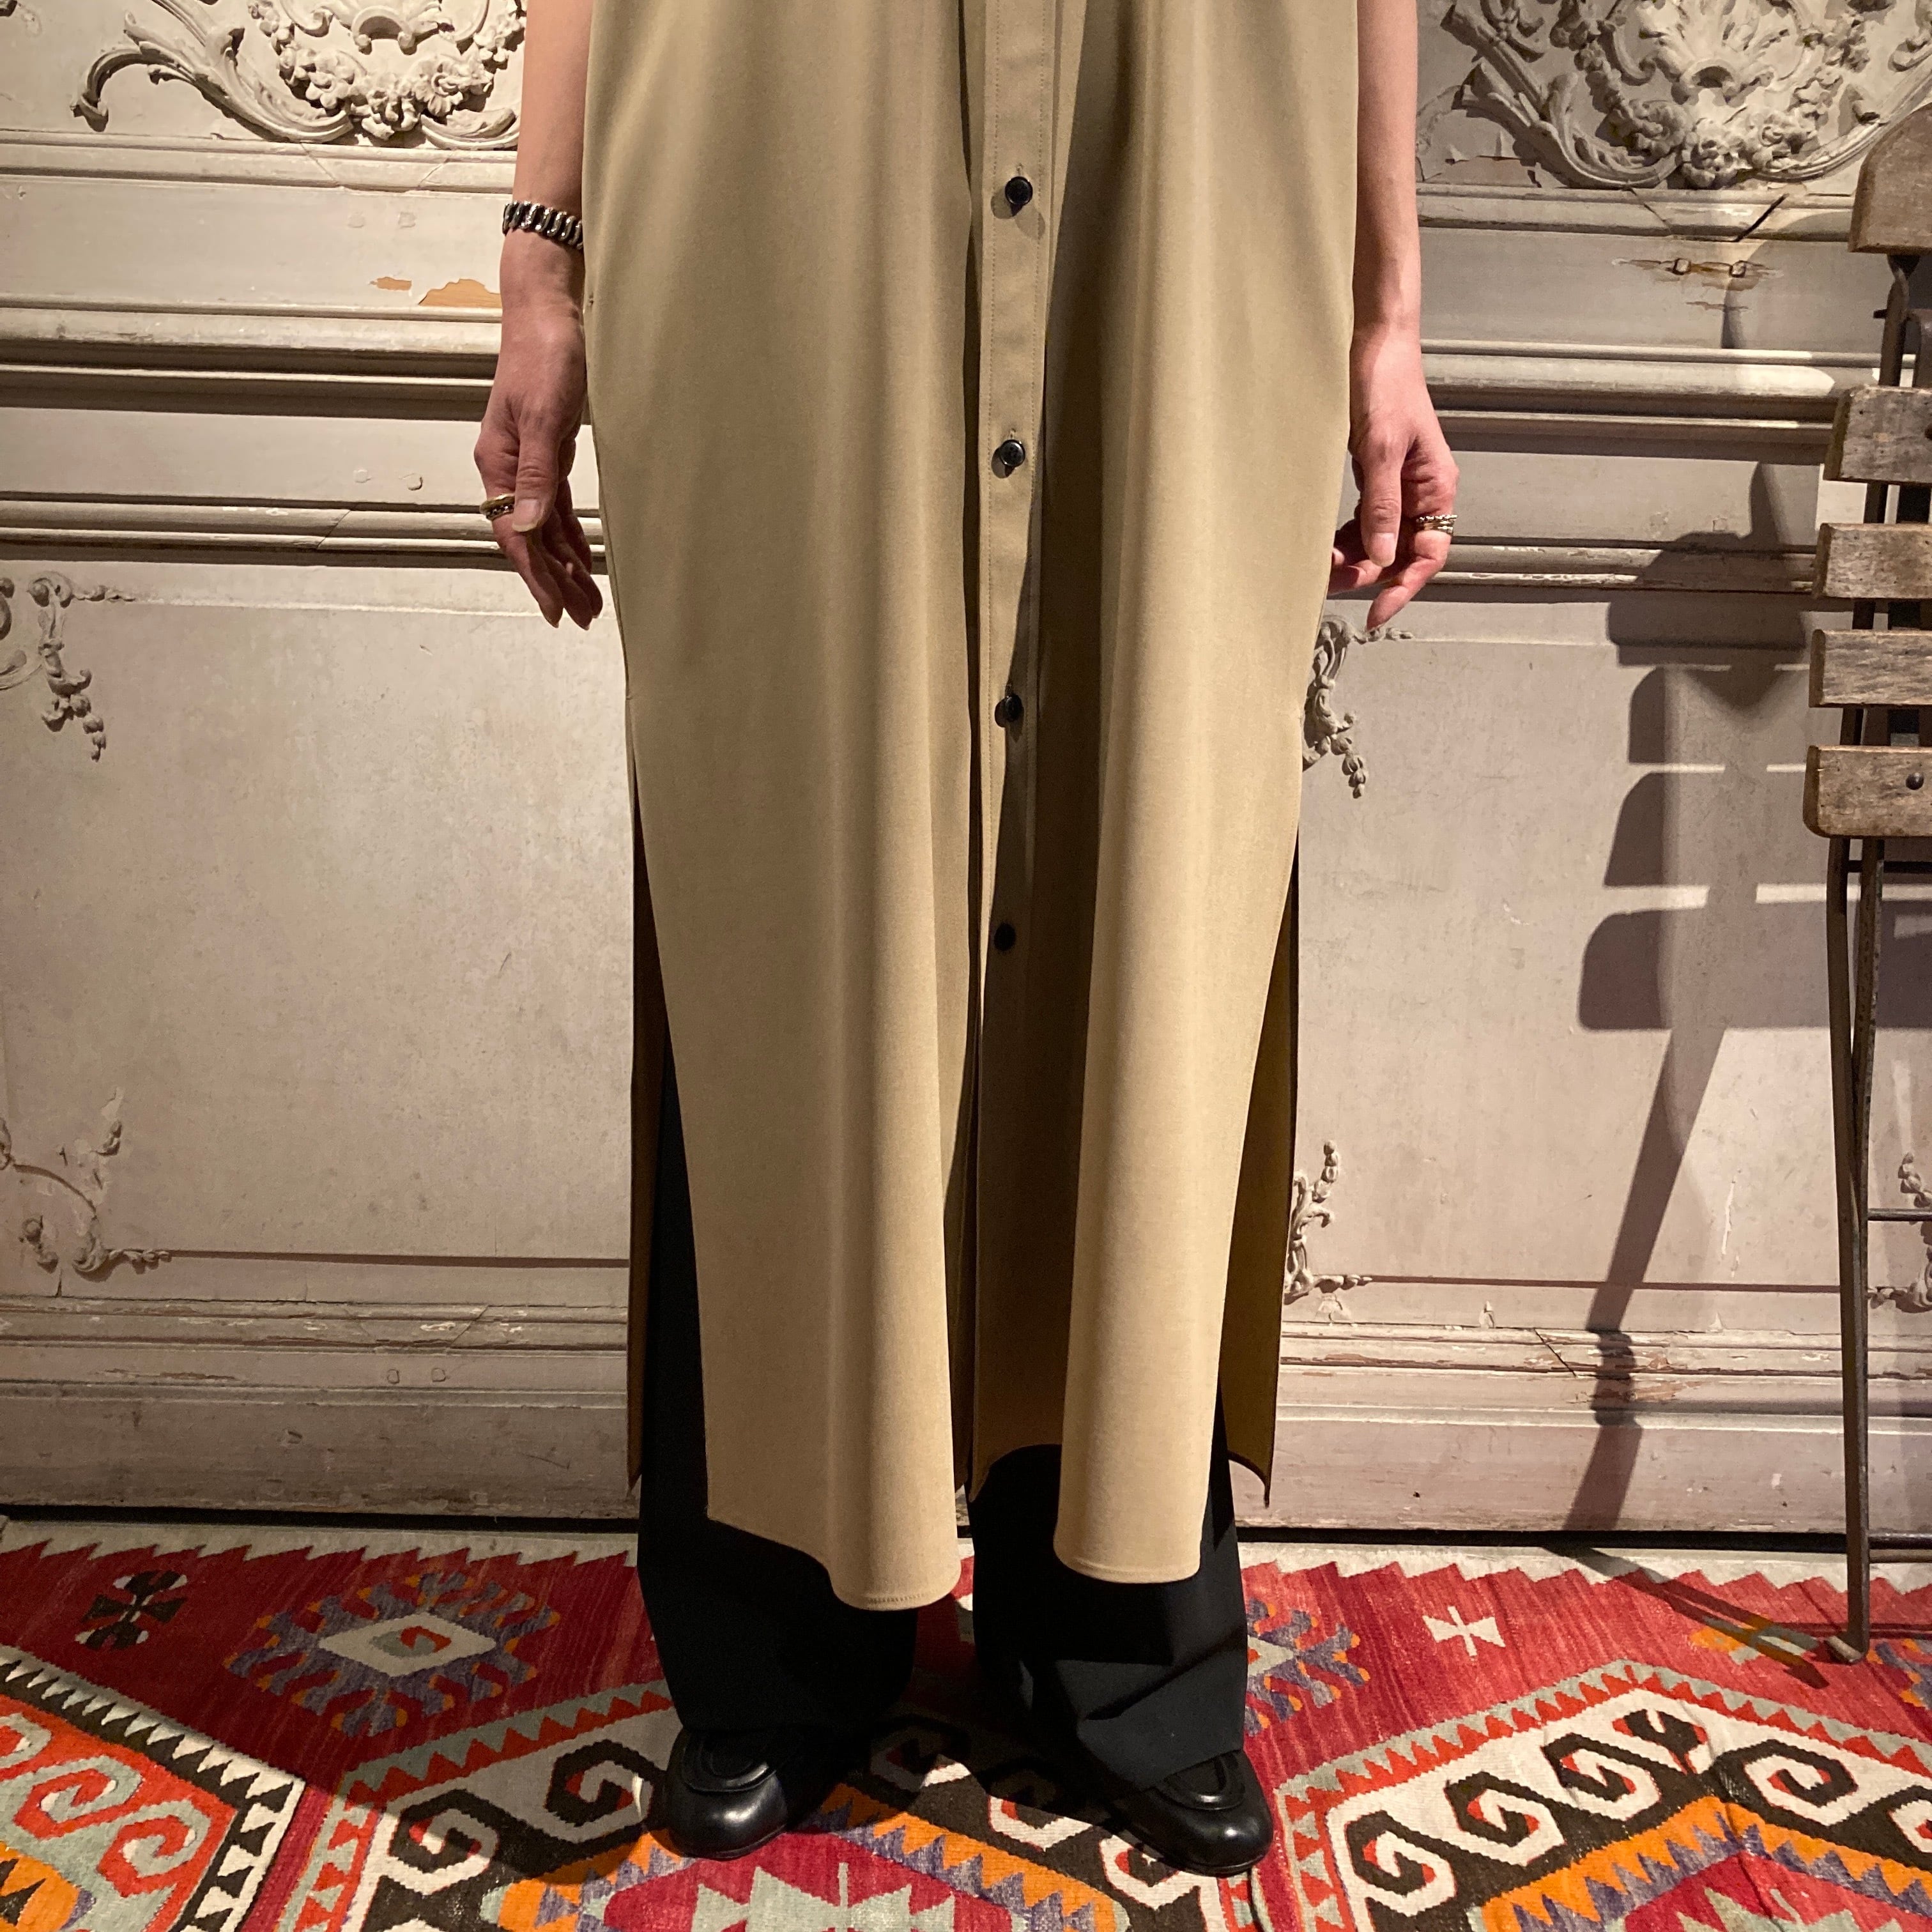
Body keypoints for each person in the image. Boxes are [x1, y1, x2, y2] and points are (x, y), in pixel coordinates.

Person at [476, 0, 1455, 1878]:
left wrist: (1386, 313)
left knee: (1153, 880)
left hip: (1191, 143)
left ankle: (1122, 1638)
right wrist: (543, 267)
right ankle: (776, 1638)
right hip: (778, 150)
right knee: (790, 903)